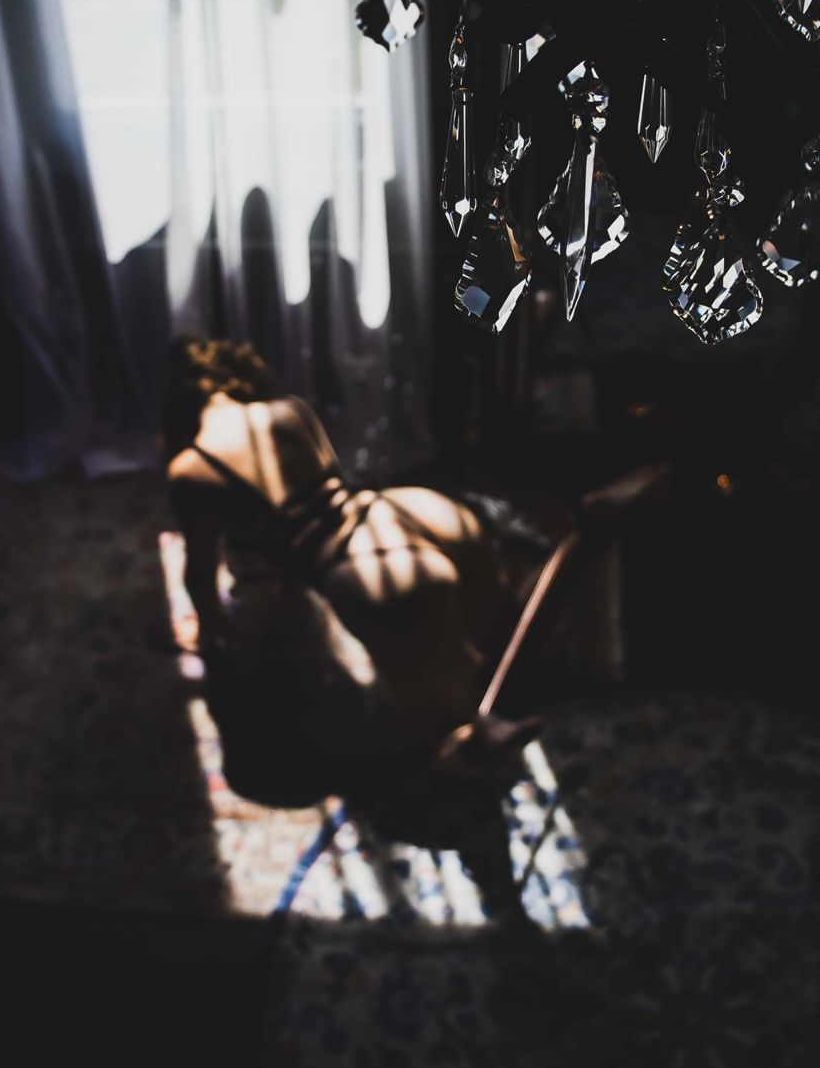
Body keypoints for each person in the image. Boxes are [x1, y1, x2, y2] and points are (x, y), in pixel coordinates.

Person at [163, 336, 662, 804]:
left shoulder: (190, 469)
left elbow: (200, 575)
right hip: (409, 511)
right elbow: (337, 489)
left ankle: (477, 737)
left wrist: (210, 636)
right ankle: (581, 545)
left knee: (448, 722)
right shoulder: (287, 410)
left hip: (359, 567)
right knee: (496, 631)